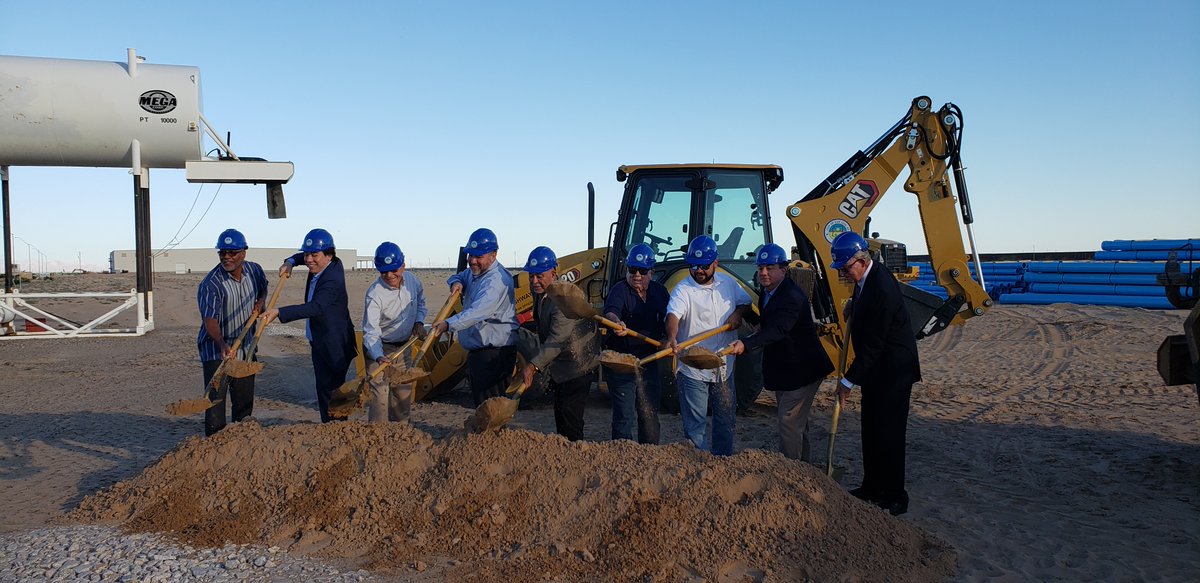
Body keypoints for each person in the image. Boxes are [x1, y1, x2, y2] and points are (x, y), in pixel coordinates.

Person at [830, 231, 921, 516]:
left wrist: (846, 382)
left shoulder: (882, 287)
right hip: (876, 371)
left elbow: (874, 346)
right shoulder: (865, 279)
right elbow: (863, 306)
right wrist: (852, 307)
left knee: (889, 434)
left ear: (860, 260)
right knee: (871, 429)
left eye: (846, 268)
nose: (844, 274)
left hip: (893, 371)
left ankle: (895, 496)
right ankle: (872, 487)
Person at [727, 243, 833, 462]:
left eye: (770, 267)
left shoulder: (791, 296)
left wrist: (746, 344)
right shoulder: (768, 293)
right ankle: (804, 468)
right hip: (786, 369)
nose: (763, 273)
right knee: (796, 423)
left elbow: (778, 330)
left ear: (783, 270)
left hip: (803, 370)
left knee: (788, 420)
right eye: (760, 268)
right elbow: (767, 323)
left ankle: (791, 471)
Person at [665, 235, 752, 455]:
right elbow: (673, 316)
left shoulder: (729, 284)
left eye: (704, 265)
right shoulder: (683, 290)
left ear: (715, 262)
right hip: (693, 368)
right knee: (695, 427)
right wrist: (672, 337)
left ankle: (722, 466)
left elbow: (746, 303)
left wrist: (737, 313)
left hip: (723, 366)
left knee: (725, 420)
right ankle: (699, 467)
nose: (698, 271)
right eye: (693, 265)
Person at [263, 228, 358, 423]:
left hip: (335, 342)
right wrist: (290, 262)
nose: (308, 260)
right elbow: (301, 257)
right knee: (323, 386)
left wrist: (279, 312)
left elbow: (316, 307)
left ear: (329, 255)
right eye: (307, 254)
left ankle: (337, 426)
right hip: (319, 337)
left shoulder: (333, 279)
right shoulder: (325, 264)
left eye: (314, 255)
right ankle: (328, 424)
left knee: (332, 388)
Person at [430, 228, 519, 406]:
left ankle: (492, 435)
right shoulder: (475, 271)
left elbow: (476, 313)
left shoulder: (496, 281)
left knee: (491, 407)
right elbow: (460, 275)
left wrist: (447, 325)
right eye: (470, 255)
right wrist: (456, 282)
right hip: (480, 353)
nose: (472, 261)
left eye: (479, 256)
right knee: (482, 406)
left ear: (493, 255)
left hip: (494, 355)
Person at [519, 246, 598, 441]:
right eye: (531, 276)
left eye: (539, 276)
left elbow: (557, 339)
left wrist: (533, 365)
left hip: (577, 366)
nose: (534, 281)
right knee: (561, 415)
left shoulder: (563, 299)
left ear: (553, 273)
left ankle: (574, 459)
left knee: (570, 422)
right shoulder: (540, 293)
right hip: (561, 368)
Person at [196, 228, 268, 436]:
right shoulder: (211, 284)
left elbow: (264, 287)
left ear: (243, 253)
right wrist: (222, 344)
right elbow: (209, 319)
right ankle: (214, 444)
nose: (226, 257)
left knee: (244, 405)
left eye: (232, 252)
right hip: (216, 350)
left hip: (246, 348)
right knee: (215, 405)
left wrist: (261, 302)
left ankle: (241, 443)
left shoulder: (255, 271)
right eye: (222, 253)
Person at [602, 243, 667, 444]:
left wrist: (668, 338)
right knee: (624, 413)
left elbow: (670, 318)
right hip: (622, 361)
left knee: (649, 412)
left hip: (649, 359)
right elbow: (611, 312)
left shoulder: (660, 292)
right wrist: (616, 322)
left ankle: (648, 453)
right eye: (632, 270)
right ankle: (623, 455)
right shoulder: (619, 290)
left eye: (642, 271)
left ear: (652, 272)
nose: (637, 275)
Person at [362, 242, 427, 424]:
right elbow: (371, 332)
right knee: (380, 398)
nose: (389, 276)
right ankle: (378, 436)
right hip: (380, 348)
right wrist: (378, 356)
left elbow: (421, 302)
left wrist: (419, 321)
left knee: (403, 396)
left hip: (404, 347)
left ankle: (400, 436)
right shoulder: (375, 294)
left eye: (394, 270)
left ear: (403, 265)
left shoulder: (413, 282)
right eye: (384, 271)